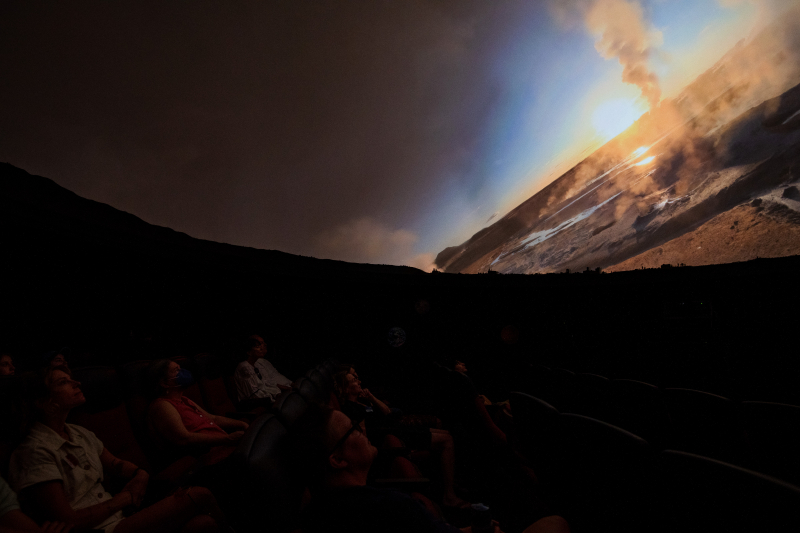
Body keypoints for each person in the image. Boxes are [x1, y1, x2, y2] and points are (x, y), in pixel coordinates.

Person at [8, 365, 225, 533]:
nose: (77, 383)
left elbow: (117, 465)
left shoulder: (78, 432)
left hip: (119, 515)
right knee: (199, 495)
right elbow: (68, 521)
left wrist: (140, 476)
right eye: (64, 382)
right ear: (42, 401)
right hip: (99, 528)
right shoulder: (34, 451)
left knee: (202, 524)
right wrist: (123, 499)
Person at [295, 404, 570, 533]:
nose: (362, 429)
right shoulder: (388, 507)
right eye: (353, 429)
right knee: (555, 523)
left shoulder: (316, 512)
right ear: (337, 460)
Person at [334, 370, 470, 510]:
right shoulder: (351, 409)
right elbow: (364, 437)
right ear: (345, 388)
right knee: (447, 441)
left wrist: (371, 397)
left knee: (446, 433)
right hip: (394, 435)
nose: (359, 381)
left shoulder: (362, 403)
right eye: (354, 380)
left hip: (397, 429)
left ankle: (449, 482)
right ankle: (449, 496)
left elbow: (387, 412)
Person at [146, 360, 247, 467]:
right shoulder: (162, 405)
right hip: (211, 458)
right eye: (176, 370)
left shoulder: (184, 400)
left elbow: (213, 419)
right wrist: (228, 439)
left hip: (227, 448)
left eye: (180, 368)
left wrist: (242, 425)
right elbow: (184, 438)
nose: (182, 372)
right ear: (164, 383)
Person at [232, 335, 292, 405]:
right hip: (252, 403)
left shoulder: (255, 365)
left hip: (263, 399)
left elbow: (264, 385)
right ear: (249, 352)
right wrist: (274, 398)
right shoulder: (244, 367)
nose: (261, 348)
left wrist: (277, 393)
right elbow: (253, 393)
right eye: (257, 347)